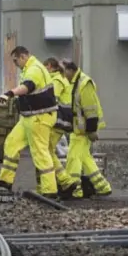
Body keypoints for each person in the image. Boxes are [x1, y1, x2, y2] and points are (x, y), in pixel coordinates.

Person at [0, 46, 61, 199]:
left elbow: (28, 87)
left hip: (40, 117)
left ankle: (50, 190)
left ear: (23, 56)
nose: (15, 63)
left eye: (16, 60)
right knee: (12, 143)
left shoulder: (34, 69)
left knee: (40, 152)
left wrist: (9, 93)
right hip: (29, 117)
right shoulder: (29, 69)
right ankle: (5, 180)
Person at [61, 60, 112, 198]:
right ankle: (102, 186)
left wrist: (91, 130)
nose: (63, 75)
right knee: (85, 158)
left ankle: (75, 189)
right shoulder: (76, 83)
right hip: (80, 129)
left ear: (70, 70)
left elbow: (91, 110)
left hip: (84, 130)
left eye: (64, 71)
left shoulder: (84, 84)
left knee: (73, 158)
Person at [42, 57, 79, 198]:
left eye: (45, 67)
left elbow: (51, 100)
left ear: (50, 66)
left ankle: (64, 181)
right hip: (62, 121)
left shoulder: (56, 80)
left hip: (58, 120)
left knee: (45, 151)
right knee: (48, 150)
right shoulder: (61, 78)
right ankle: (64, 181)